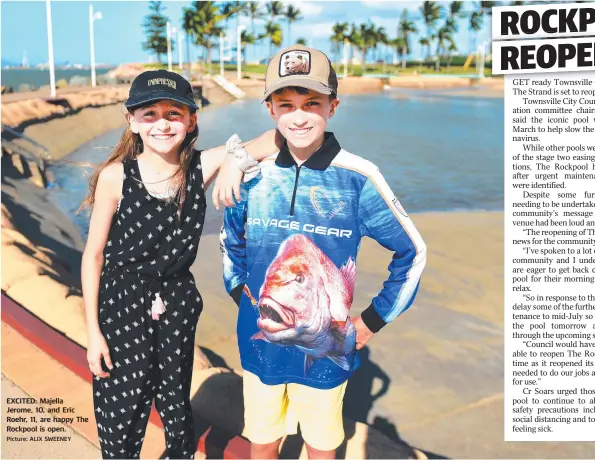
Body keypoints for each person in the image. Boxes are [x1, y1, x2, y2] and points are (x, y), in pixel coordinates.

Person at [220, 45, 428, 459]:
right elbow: (231, 242)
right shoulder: (251, 175)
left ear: (333, 106)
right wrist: (240, 295)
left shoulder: (358, 178)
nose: (299, 116)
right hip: (260, 342)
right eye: (286, 104)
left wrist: (370, 321)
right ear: (269, 109)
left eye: (312, 103)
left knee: (321, 445)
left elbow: (413, 253)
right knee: (261, 441)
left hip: (327, 350)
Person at [80, 69, 278, 459]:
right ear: (132, 121)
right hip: (121, 301)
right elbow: (94, 254)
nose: (162, 123)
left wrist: (236, 161)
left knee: (174, 401)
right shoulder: (116, 177)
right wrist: (93, 332)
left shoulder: (199, 168)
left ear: (191, 121)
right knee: (123, 404)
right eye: (149, 113)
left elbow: (275, 138)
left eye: (174, 113)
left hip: (177, 301)